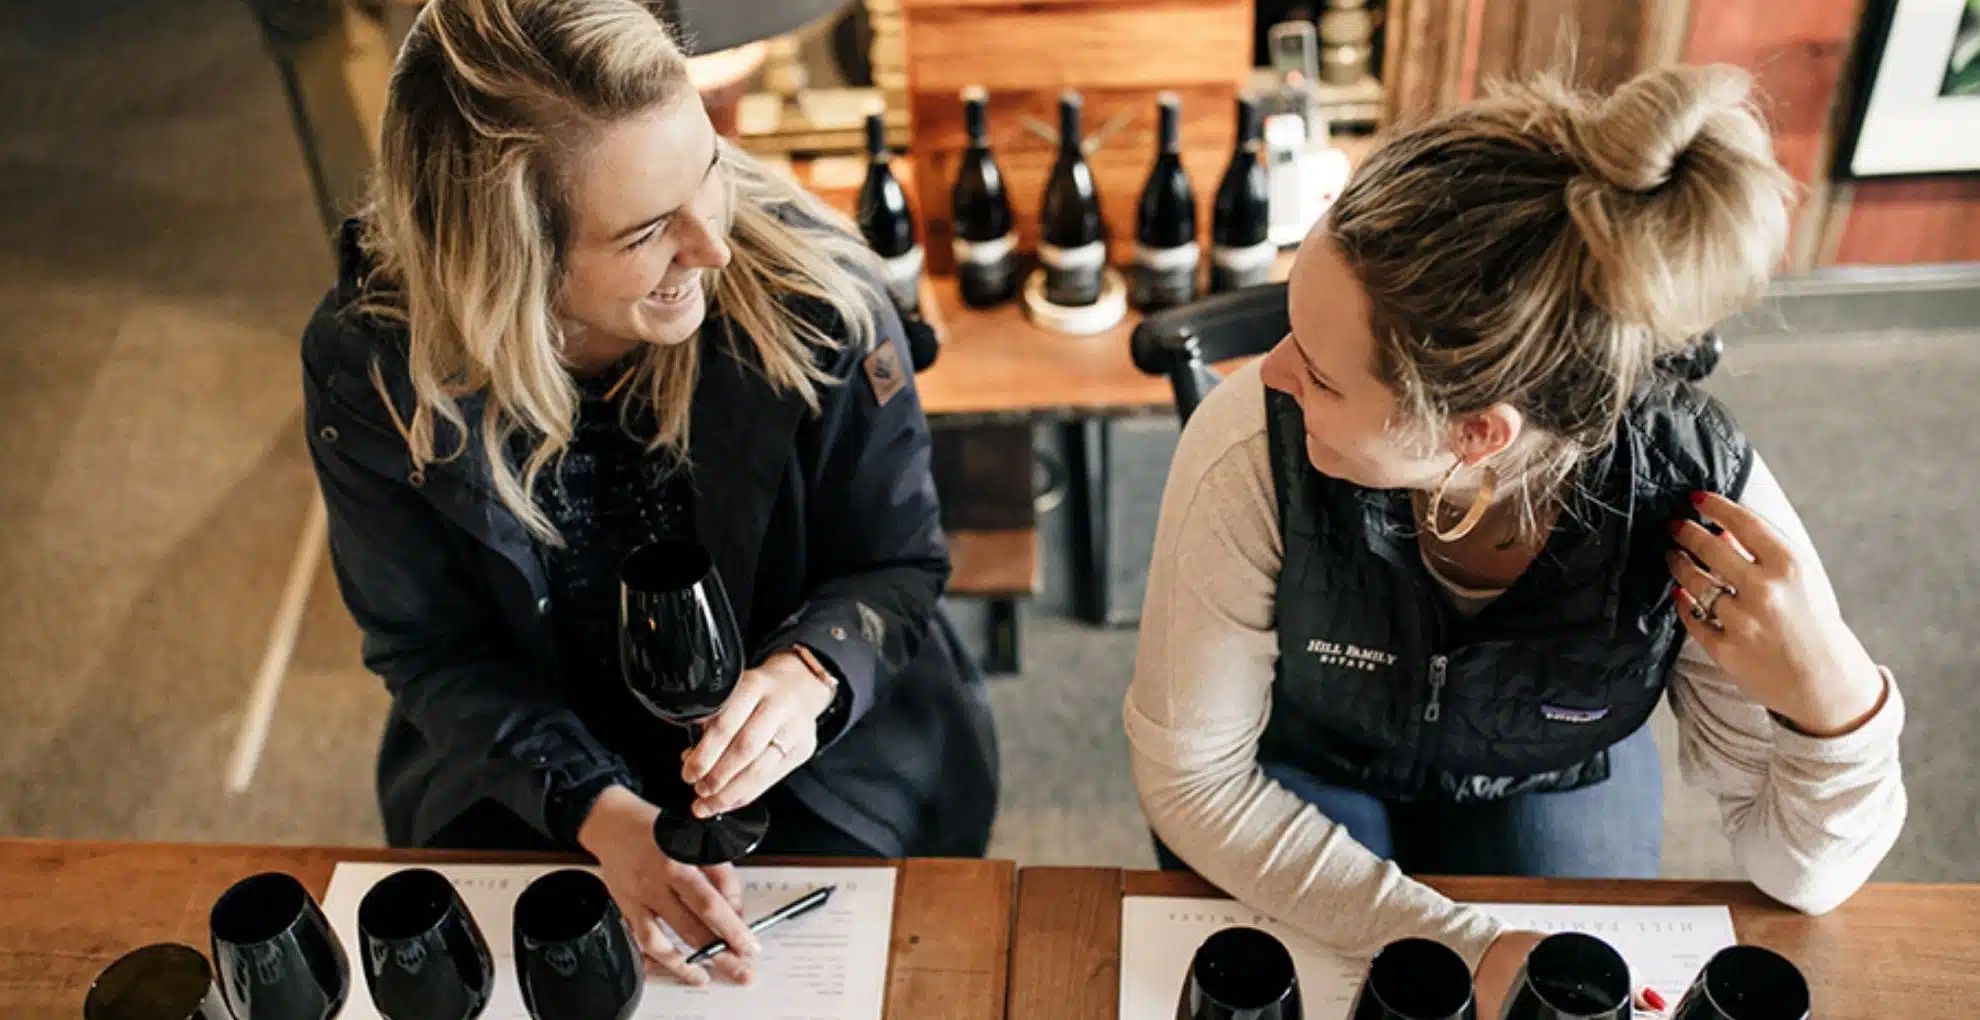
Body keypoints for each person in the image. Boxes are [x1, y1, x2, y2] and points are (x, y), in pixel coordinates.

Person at [1126, 64, 1905, 1014]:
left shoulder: (1698, 501)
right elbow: (1196, 784)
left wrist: (1835, 703)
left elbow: (1806, 880)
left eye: (1323, 377)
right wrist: (1454, 942)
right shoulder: (1250, 442)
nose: (1267, 374)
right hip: (1304, 754)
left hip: (1547, 767)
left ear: (1476, 434)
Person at [300, 0, 998, 988]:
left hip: (801, 735)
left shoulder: (818, 293)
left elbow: (898, 562)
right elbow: (430, 648)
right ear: (510, 261)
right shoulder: (371, 367)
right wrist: (596, 809)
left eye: (706, 169)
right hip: (526, 736)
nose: (714, 245)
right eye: (643, 232)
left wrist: (808, 677)